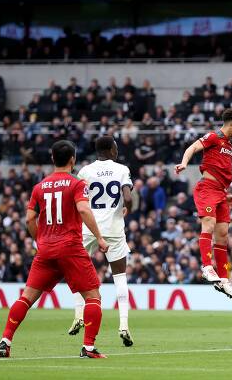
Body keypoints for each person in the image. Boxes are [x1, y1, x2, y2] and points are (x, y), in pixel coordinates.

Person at [0, 140, 109, 359]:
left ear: (52, 159)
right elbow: (84, 210)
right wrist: (99, 238)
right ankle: (88, 348)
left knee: (27, 297)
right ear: (73, 160)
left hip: (46, 249)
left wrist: (41, 240)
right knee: (93, 297)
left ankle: (5, 340)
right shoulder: (77, 184)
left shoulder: (39, 187)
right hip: (70, 247)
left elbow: (29, 218)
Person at [68, 136, 134, 347]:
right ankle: (123, 325)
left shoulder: (85, 171)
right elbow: (129, 198)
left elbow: (77, 201)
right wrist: (127, 209)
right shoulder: (122, 169)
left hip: (89, 228)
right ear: (112, 150)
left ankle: (78, 315)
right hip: (114, 229)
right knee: (120, 277)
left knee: (79, 272)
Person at [175, 108, 232, 299]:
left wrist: (226, 193)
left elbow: (220, 171)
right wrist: (184, 163)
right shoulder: (214, 136)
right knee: (209, 224)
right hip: (206, 189)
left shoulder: (229, 147)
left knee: (223, 236)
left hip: (221, 193)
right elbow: (192, 148)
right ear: (231, 124)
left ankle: (223, 280)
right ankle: (207, 267)